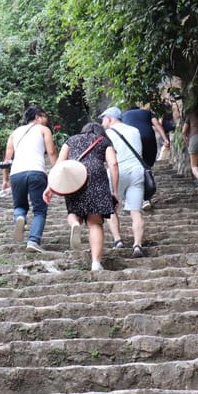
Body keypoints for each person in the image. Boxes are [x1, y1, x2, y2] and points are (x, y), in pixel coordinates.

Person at [45, 122, 118, 271]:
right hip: (96, 176)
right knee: (95, 223)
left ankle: (75, 224)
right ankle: (96, 263)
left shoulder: (71, 140)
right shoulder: (104, 141)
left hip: (74, 175)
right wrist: (115, 191)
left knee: (73, 212)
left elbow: (59, 164)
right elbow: (114, 164)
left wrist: (50, 186)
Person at [2, 105, 58, 253]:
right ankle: (33, 240)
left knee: (19, 205)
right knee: (39, 209)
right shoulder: (43, 130)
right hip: (36, 172)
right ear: (37, 117)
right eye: (44, 117)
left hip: (16, 173)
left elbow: (7, 159)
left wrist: (5, 179)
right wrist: (58, 171)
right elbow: (51, 152)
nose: (46, 120)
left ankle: (20, 217)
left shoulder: (14, 133)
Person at [100, 107, 147, 258]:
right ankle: (137, 245)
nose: (102, 122)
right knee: (136, 211)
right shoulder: (135, 130)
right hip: (137, 171)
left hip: (117, 173)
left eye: (103, 119)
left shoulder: (107, 134)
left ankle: (117, 240)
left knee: (111, 207)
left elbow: (106, 158)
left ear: (109, 118)